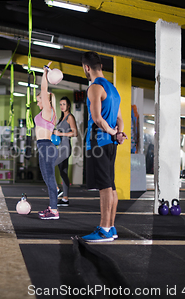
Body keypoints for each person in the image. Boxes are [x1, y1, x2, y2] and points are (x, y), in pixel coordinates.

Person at [81, 51, 126, 242]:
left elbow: (98, 119)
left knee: (105, 187)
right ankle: (111, 227)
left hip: (99, 141)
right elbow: (120, 119)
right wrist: (119, 134)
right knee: (111, 186)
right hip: (110, 144)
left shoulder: (94, 88)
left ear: (87, 68)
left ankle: (104, 229)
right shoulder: (113, 89)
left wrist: (112, 133)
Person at [35, 64, 60, 219]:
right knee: (48, 179)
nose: (38, 103)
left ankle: (54, 211)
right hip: (44, 146)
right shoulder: (50, 112)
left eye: (40, 100)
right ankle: (52, 206)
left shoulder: (48, 110)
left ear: (46, 101)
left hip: (46, 147)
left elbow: (44, 90)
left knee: (50, 179)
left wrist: (44, 73)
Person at [53, 96, 78, 206]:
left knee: (49, 165)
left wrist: (60, 134)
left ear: (68, 105)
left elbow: (75, 133)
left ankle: (57, 189)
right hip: (60, 147)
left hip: (65, 148)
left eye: (64, 104)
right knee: (63, 173)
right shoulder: (61, 118)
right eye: (60, 104)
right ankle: (65, 199)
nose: (62, 106)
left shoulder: (70, 117)